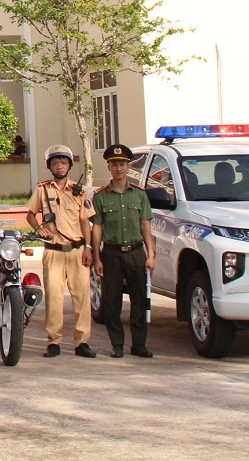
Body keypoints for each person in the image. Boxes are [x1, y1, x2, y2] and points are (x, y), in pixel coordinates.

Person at [26, 144, 97, 358]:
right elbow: (30, 214)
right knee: (54, 298)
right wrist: (38, 229)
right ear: (50, 166)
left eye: (63, 162)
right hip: (53, 251)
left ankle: (82, 342)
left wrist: (88, 247)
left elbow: (85, 221)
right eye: (55, 163)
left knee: (82, 298)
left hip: (76, 250)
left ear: (69, 165)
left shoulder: (80, 192)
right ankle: (53, 342)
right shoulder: (43, 190)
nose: (59, 166)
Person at [91, 143, 156, 359]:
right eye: (114, 164)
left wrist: (151, 255)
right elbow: (97, 228)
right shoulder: (101, 196)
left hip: (136, 251)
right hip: (112, 253)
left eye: (122, 164)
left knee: (139, 300)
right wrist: (97, 258)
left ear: (128, 167)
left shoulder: (139, 195)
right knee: (112, 301)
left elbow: (146, 225)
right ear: (109, 167)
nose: (119, 168)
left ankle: (139, 344)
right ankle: (117, 343)